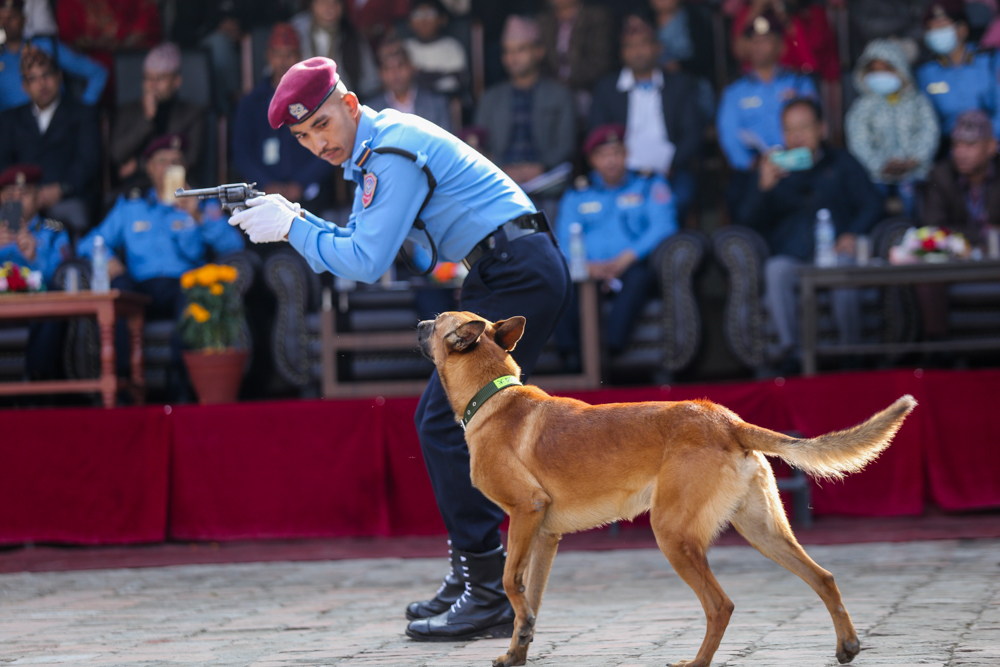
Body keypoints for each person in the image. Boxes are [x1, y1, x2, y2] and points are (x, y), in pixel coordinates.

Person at [228, 57, 571, 641]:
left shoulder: (389, 153)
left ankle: (488, 587)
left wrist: (291, 228)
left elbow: (364, 263)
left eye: (323, 125)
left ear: (352, 104)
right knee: (442, 423)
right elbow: (373, 247)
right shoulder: (376, 150)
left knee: (442, 425)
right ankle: (474, 574)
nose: (317, 143)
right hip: (500, 272)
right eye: (303, 136)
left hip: (515, 273)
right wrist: (299, 217)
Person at [77, 134, 244, 389]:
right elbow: (87, 242)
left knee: (193, 296)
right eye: (162, 161)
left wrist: (196, 214)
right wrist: (109, 260)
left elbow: (234, 246)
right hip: (140, 287)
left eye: (175, 161)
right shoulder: (130, 207)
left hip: (183, 285)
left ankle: (181, 380)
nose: (169, 167)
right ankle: (123, 380)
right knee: (119, 289)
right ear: (150, 169)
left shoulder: (201, 203)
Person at [736, 98, 883, 372]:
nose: (797, 136)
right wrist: (762, 188)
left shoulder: (841, 162)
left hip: (837, 252)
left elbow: (872, 203)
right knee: (776, 269)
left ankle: (851, 355)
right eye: (790, 130)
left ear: (822, 129)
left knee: (844, 270)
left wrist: (853, 233)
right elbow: (746, 220)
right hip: (795, 255)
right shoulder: (774, 167)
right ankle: (793, 355)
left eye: (804, 128)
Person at [553, 124, 678, 371]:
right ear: (592, 160)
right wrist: (587, 266)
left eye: (616, 153)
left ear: (626, 154)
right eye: (602, 155)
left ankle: (611, 349)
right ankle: (571, 356)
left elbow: (664, 225)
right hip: (588, 269)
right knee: (561, 283)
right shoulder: (578, 192)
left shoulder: (648, 183)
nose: (610, 161)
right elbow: (562, 239)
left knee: (639, 278)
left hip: (632, 266)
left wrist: (627, 258)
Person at [590, 14, 703, 222]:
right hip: (620, 170)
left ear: (658, 47)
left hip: (670, 170)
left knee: (681, 198)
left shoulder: (680, 85)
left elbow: (693, 133)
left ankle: (669, 251)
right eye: (630, 46)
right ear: (622, 52)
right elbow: (598, 133)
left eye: (644, 44)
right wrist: (617, 166)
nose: (637, 52)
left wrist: (671, 163)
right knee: (597, 203)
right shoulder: (606, 88)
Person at [716, 10, 817, 212]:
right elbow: (729, 136)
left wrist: (792, 159)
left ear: (781, 46)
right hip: (754, 169)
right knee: (738, 199)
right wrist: (753, 164)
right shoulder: (734, 92)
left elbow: (815, 126)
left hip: (798, 165)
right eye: (754, 41)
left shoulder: (800, 83)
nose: (758, 46)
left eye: (765, 40)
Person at [232, 24, 335, 216]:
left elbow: (330, 147)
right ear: (268, 56)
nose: (282, 61)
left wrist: (300, 184)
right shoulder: (251, 103)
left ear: (300, 57)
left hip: (309, 194)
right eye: (277, 54)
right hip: (263, 194)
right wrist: (267, 185)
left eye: (289, 54)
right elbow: (241, 154)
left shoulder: (318, 99)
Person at [0, 46, 99, 235]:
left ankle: (66, 265)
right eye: (33, 79)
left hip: (64, 197)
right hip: (19, 198)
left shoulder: (82, 114)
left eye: (47, 75)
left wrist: (59, 189)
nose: (42, 84)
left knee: (68, 226)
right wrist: (17, 195)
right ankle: (13, 265)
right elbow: (2, 161)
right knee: (7, 232)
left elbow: (88, 161)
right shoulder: (10, 119)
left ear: (59, 77)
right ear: (25, 86)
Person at [919, 110, 1000, 340]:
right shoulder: (941, 174)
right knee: (926, 268)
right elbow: (934, 226)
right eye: (956, 145)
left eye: (970, 145)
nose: (960, 153)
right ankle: (938, 348)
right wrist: (985, 235)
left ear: (991, 147)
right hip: (954, 256)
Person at [474, 15, 575, 189]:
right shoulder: (490, 98)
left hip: (548, 179)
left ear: (539, 52)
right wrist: (504, 168)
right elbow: (480, 144)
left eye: (521, 50)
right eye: (508, 51)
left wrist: (541, 167)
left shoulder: (559, 94)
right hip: (501, 178)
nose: (513, 58)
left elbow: (566, 144)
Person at [845, 38, 940, 218]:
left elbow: (929, 131)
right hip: (876, 174)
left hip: (914, 171)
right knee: (871, 201)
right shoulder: (863, 107)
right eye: (874, 70)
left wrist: (914, 159)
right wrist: (880, 165)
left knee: (913, 197)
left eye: (886, 69)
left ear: (900, 69)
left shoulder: (918, 102)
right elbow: (858, 140)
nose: (880, 75)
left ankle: (914, 238)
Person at [0, 163, 71, 380]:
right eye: (11, 194)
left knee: (53, 297)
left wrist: (34, 258)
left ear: (38, 196)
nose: (18, 199)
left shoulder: (54, 231)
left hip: (37, 309)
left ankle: (37, 381)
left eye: (25, 193)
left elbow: (61, 278)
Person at [110, 43, 205, 192]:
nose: (153, 85)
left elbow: (191, 160)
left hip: (178, 187)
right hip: (135, 188)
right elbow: (117, 154)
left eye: (160, 79)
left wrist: (138, 165)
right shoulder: (128, 111)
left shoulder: (191, 114)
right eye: (148, 78)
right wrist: (147, 119)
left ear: (176, 81)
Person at [0, 0, 108, 113]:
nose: (5, 23)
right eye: (1, 18)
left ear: (23, 19)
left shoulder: (45, 45)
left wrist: (82, 110)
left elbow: (97, 72)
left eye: (11, 17)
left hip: (58, 124)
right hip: (12, 127)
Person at [917, 1, 1000, 141]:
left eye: (942, 26)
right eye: (931, 29)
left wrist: (981, 140)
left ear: (962, 29)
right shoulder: (925, 72)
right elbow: (927, 121)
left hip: (991, 143)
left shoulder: (990, 60)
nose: (936, 33)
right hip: (951, 148)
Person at [537, 0, 614, 117]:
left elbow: (600, 61)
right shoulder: (542, 21)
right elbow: (539, 61)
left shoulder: (596, 17)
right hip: (549, 90)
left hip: (587, 88)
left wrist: (565, 84)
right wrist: (552, 86)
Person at [291, 0, 380, 101]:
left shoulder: (353, 38)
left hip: (342, 105)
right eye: (323, 2)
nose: (330, 7)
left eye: (336, 2)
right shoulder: (296, 31)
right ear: (312, 4)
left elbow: (370, 83)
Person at [730, 0, 840, 82]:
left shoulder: (810, 14)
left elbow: (809, 63)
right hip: (754, 85)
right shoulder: (747, 13)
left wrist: (786, 19)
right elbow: (739, 52)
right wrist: (755, 11)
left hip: (795, 83)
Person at [368, 38, 452, 132]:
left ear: (412, 67)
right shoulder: (371, 111)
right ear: (380, 74)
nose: (395, 73)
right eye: (388, 68)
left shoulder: (436, 104)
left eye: (400, 66)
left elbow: (445, 144)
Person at [55, 0, 161, 72]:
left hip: (129, 56)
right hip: (84, 58)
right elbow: (67, 38)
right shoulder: (67, 3)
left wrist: (122, 41)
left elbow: (142, 25)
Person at [403, 0, 469, 99]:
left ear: (442, 19)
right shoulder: (405, 47)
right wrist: (440, 75)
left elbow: (458, 80)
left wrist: (423, 76)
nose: (424, 20)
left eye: (430, 14)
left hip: (446, 99)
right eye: (418, 15)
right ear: (409, 22)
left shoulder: (451, 47)